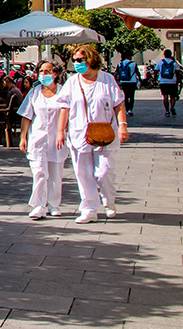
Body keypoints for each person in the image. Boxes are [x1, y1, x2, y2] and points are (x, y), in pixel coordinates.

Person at [55, 44, 128, 224]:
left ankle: (108, 199)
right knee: (83, 173)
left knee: (105, 172)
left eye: (80, 60)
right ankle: (89, 208)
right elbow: (64, 107)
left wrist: (123, 126)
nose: (77, 63)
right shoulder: (72, 82)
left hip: (105, 133)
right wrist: (60, 132)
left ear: (91, 59)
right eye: (75, 60)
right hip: (79, 133)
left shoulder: (107, 80)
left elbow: (118, 104)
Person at [18, 61, 68, 220]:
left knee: (55, 173)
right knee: (39, 172)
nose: (44, 74)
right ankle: (39, 205)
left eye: (48, 71)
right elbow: (27, 116)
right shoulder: (34, 93)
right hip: (37, 138)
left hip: (57, 138)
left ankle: (53, 204)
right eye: (41, 71)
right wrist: (23, 137)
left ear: (55, 74)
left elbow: (68, 114)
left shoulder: (63, 92)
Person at [155, 49, 183, 117]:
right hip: (172, 82)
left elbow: (156, 71)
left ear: (164, 54)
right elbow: (178, 73)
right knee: (173, 96)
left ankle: (167, 111)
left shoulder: (160, 62)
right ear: (171, 54)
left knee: (165, 96)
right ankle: (172, 107)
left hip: (163, 82)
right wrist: (179, 81)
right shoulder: (174, 63)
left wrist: (155, 79)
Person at [115, 53, 140, 117]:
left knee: (126, 96)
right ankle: (130, 109)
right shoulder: (133, 64)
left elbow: (116, 72)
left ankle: (126, 109)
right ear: (129, 56)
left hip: (124, 81)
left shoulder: (120, 64)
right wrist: (140, 78)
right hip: (132, 81)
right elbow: (137, 72)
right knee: (131, 96)